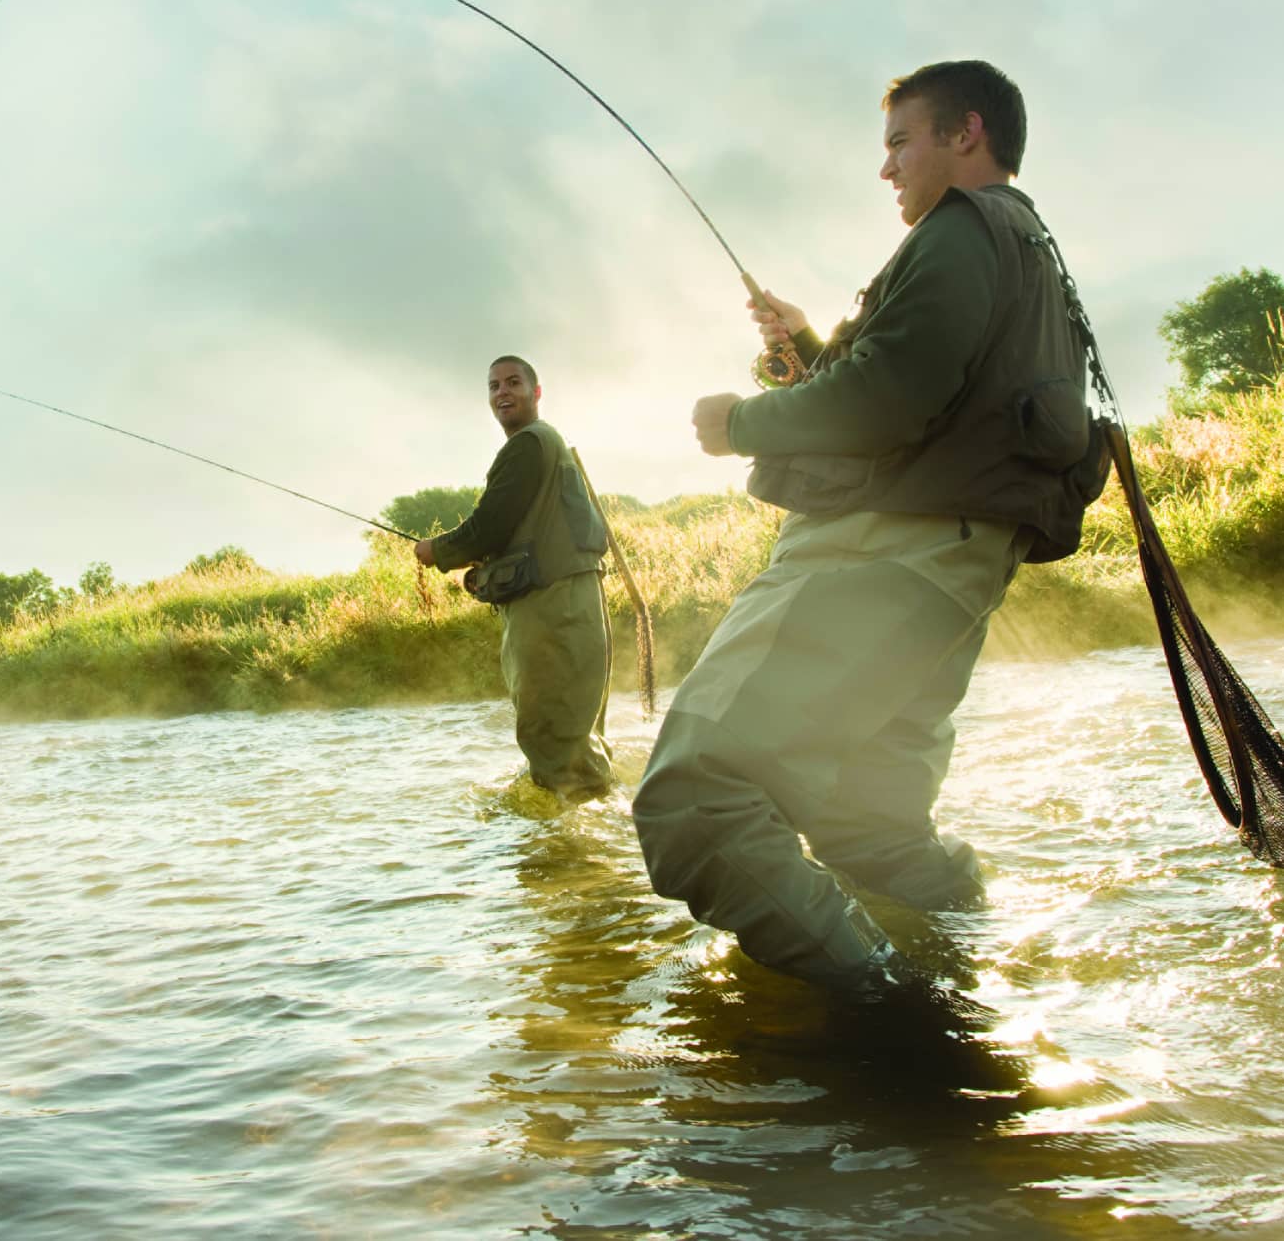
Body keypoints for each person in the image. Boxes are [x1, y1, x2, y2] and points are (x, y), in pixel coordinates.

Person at [632, 60, 1102, 997]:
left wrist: (742, 425)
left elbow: (887, 400)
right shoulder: (1028, 247)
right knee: (869, 828)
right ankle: (976, 987)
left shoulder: (961, 229)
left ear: (966, 133)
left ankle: (898, 1037)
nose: (886, 170)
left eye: (899, 142)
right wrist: (809, 349)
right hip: (948, 585)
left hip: (877, 562)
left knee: (695, 799)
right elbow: (930, 392)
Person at [414, 356, 615, 800]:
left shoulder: (527, 445)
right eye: (493, 386)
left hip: (552, 610)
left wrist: (437, 551)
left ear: (536, 392)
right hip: (573, 605)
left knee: (554, 741)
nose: (502, 392)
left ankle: (566, 857)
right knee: (577, 739)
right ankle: (597, 852)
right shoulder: (548, 443)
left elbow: (489, 525)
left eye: (513, 382)